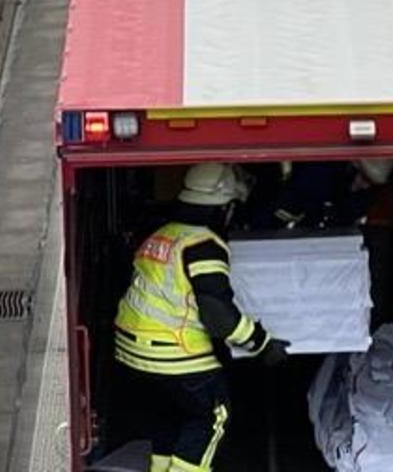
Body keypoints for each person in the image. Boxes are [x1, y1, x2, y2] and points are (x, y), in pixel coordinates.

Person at [115, 163, 288, 472]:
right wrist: (263, 344)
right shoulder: (203, 246)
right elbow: (218, 316)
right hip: (174, 353)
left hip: (132, 353)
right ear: (225, 207)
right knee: (213, 416)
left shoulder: (162, 236)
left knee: (169, 419)